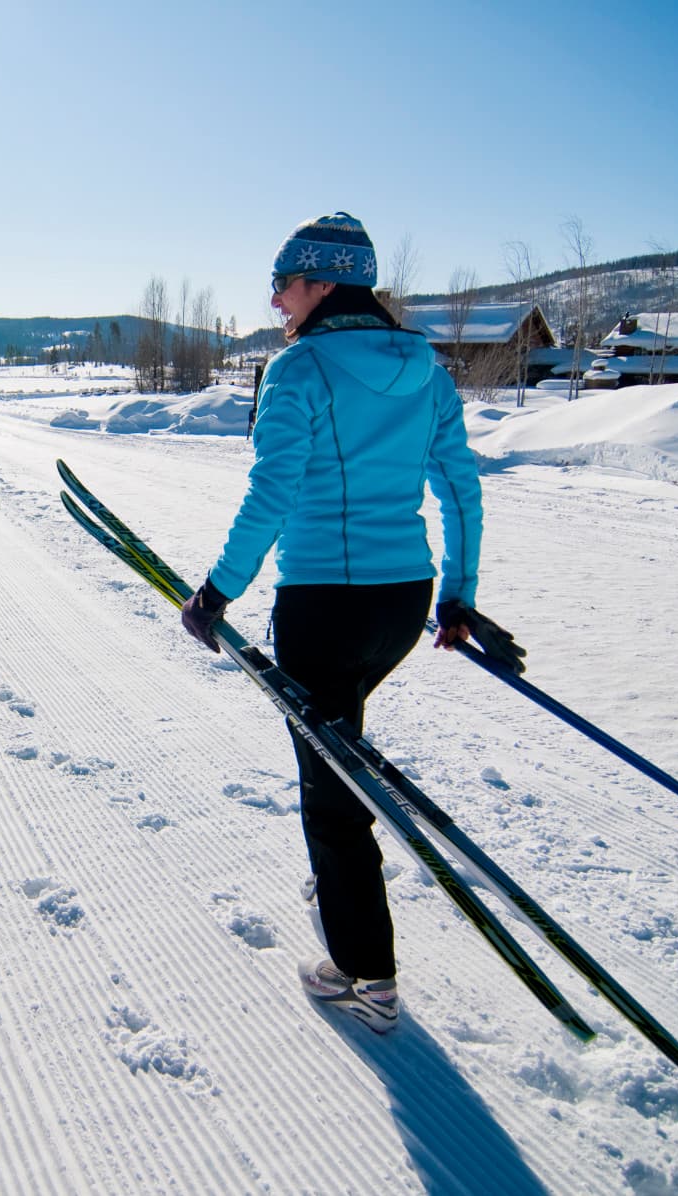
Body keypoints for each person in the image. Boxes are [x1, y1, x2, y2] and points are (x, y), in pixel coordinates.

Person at [179, 213, 512, 1033]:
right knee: (341, 748)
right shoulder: (426, 367)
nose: (276, 298)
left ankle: (364, 970)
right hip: (402, 600)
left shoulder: (300, 369)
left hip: (324, 602)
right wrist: (458, 594)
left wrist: (218, 590)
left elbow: (272, 492)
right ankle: (347, 908)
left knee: (331, 794)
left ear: (324, 285)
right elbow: (460, 485)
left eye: (285, 282)